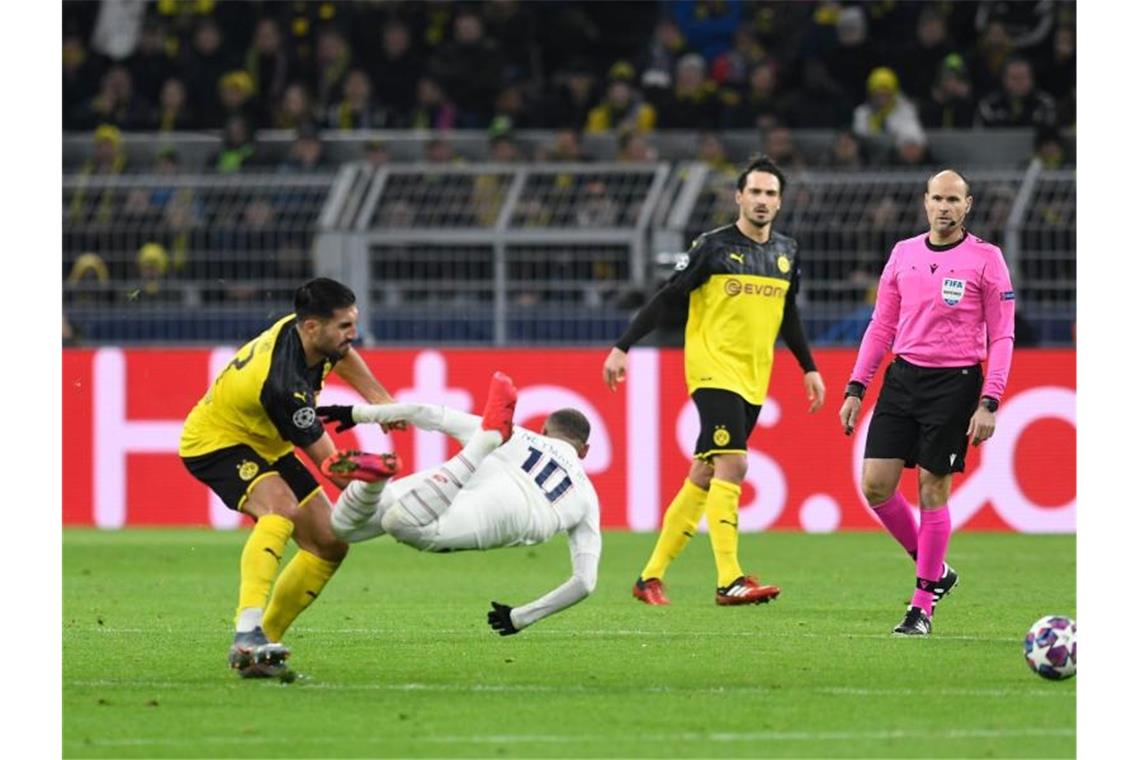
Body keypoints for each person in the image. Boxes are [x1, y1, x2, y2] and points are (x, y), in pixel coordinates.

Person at [602, 155, 825, 606]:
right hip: (712, 369)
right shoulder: (713, 247)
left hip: (753, 376)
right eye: (755, 192)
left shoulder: (786, 252)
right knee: (734, 465)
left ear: (779, 203)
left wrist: (809, 367)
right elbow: (668, 297)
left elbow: (789, 314)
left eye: (770, 194)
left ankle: (649, 577)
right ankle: (729, 579)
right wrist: (623, 345)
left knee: (704, 473)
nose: (762, 201)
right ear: (738, 197)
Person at [179, 278, 400, 677]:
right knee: (278, 509)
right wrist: (393, 494)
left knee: (330, 543)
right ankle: (246, 633)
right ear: (313, 327)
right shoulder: (283, 385)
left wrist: (380, 398)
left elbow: (342, 355)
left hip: (266, 440)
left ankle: (261, 648)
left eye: (354, 323)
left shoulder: (310, 333)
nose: (354, 334)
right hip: (215, 442)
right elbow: (334, 469)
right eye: (345, 326)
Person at [838, 170, 1015, 637]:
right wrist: (857, 387)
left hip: (955, 384)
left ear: (968, 205)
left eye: (953, 200)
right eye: (937, 199)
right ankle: (934, 567)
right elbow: (881, 326)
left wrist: (989, 400)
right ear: (924, 203)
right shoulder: (903, 253)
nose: (944, 207)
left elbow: (1002, 335)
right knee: (875, 486)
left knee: (932, 490)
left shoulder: (987, 259)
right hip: (902, 379)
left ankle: (921, 607)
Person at [315, 372, 601, 636]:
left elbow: (429, 413)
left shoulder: (519, 434)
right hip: (511, 512)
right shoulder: (587, 496)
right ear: (585, 450)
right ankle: (478, 448)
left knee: (343, 529)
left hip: (477, 472)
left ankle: (373, 483)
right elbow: (584, 583)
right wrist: (520, 617)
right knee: (399, 523)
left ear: (544, 429)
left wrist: (356, 413)